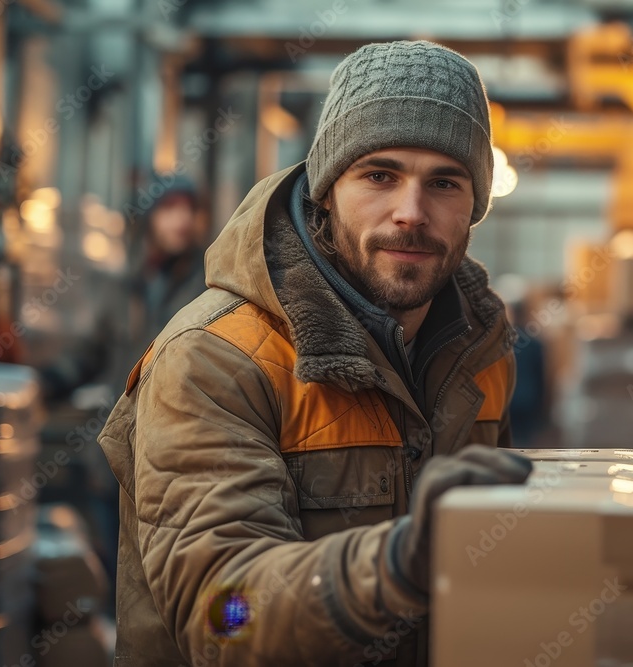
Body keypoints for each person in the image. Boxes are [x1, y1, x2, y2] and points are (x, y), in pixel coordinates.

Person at [98, 40, 533, 667]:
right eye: (379, 175)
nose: (411, 213)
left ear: (475, 206)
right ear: (326, 190)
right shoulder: (216, 359)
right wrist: (395, 564)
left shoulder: (481, 352)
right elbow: (222, 615)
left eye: (444, 182)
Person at [39, 177, 206, 587]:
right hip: (113, 459)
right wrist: (42, 383)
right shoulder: (124, 287)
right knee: (119, 579)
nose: (181, 220)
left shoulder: (207, 283)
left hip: (177, 456)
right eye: (170, 209)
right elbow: (89, 356)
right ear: (150, 218)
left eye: (189, 209)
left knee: (167, 581)